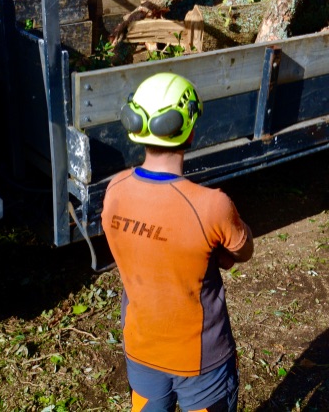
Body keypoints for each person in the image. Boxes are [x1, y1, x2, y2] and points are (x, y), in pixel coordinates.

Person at [101, 72, 254, 412]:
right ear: (190, 129)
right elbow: (243, 250)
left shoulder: (114, 191)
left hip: (141, 347)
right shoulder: (212, 205)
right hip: (201, 360)